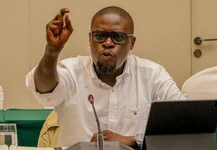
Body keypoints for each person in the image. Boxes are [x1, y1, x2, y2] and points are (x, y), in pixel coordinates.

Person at [26, 6, 185, 148]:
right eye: (100, 35)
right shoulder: (71, 71)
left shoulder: (152, 75)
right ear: (90, 38)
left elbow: (185, 120)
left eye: (118, 37)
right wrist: (51, 52)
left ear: (132, 43)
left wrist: (133, 141)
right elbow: (44, 89)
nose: (108, 43)